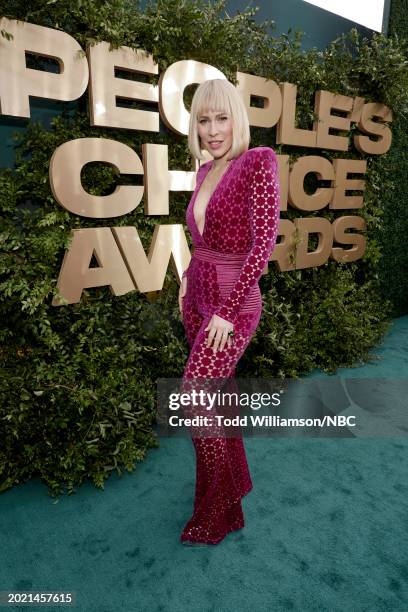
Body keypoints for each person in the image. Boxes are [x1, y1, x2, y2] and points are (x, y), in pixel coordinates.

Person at [178, 78, 281, 546]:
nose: (213, 130)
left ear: (236, 118)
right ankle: (231, 490)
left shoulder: (257, 162)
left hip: (231, 304)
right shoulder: (203, 173)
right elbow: (202, 240)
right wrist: (186, 281)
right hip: (197, 296)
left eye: (221, 118)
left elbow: (261, 246)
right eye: (204, 120)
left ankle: (217, 510)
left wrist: (226, 309)